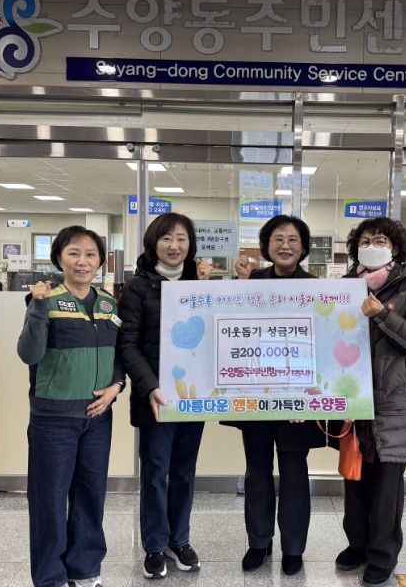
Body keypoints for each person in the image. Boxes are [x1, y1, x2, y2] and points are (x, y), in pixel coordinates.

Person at [334, 217, 406, 587]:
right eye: (365, 240)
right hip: (353, 400)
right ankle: (357, 545)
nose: (372, 246)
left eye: (380, 240)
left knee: (386, 487)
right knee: (355, 477)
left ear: (394, 248)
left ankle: (382, 554)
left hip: (392, 403)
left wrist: (382, 314)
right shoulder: (344, 287)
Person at [16, 225, 125, 587]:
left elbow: (119, 355)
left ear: (100, 261)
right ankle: (50, 577)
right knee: (48, 499)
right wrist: (37, 307)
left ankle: (85, 568)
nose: (83, 261)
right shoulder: (46, 299)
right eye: (74, 253)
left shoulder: (108, 304)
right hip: (53, 419)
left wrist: (116, 387)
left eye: (91, 254)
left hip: (98, 418)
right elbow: (29, 354)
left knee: (91, 495)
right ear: (59, 258)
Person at [227, 214, 325, 576]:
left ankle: (294, 548)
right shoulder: (251, 281)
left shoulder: (316, 288)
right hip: (255, 392)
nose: (285, 245)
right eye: (278, 239)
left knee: (295, 473)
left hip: (298, 396)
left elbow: (324, 342)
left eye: (293, 239)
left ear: (303, 247)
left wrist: (309, 396)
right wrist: (240, 285)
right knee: (257, 471)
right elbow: (231, 327)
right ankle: (259, 542)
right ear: (267, 246)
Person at [117, 213, 213, 580]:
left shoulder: (200, 285)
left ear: (191, 245)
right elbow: (127, 345)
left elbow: (215, 335)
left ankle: (179, 540)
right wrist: (150, 386)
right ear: (153, 243)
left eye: (182, 239)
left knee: (184, 471)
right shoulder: (137, 288)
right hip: (154, 398)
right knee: (156, 472)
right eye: (167, 238)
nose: (174, 246)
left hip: (192, 396)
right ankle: (155, 544)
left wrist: (206, 287)